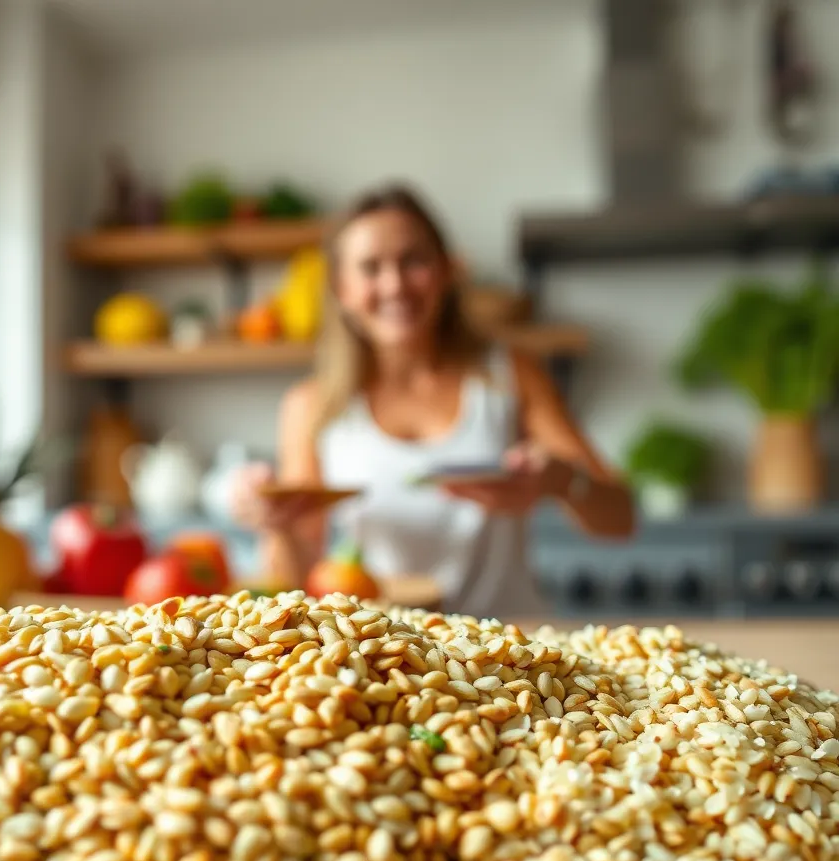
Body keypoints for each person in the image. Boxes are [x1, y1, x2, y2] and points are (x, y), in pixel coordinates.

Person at [231, 184, 634, 619]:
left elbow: (620, 521)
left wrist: (562, 482)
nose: (395, 284)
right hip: (390, 662)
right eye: (371, 268)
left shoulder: (510, 376)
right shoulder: (312, 406)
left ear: (446, 271)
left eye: (414, 260)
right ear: (342, 289)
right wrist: (274, 521)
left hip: (512, 655)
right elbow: (297, 579)